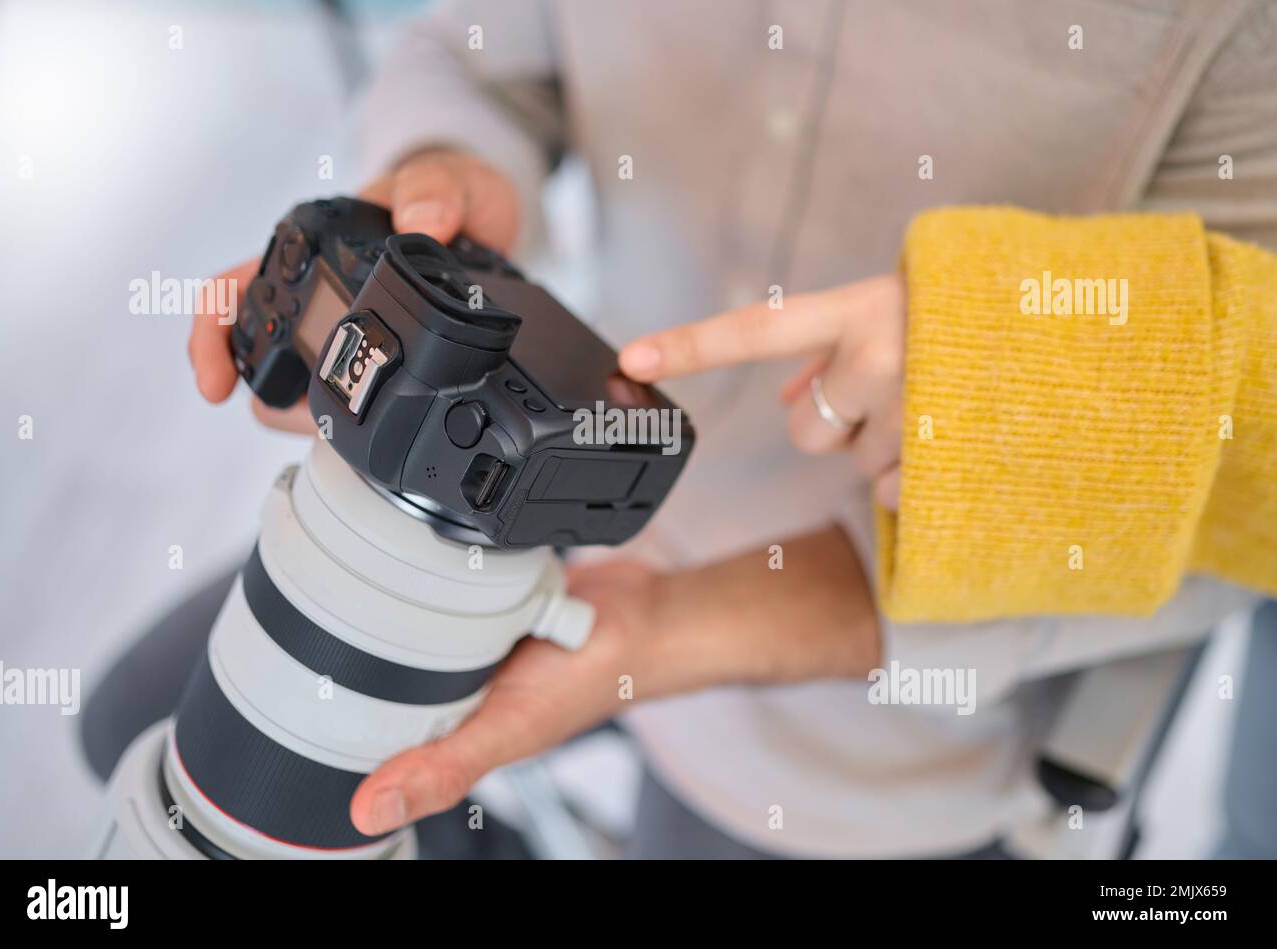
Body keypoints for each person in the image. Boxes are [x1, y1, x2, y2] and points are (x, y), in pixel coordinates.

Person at [137, 0, 1277, 858]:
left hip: (857, 723)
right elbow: (480, 49)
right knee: (148, 760)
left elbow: (1240, 496)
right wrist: (446, 168)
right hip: (523, 527)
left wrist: (1033, 389)